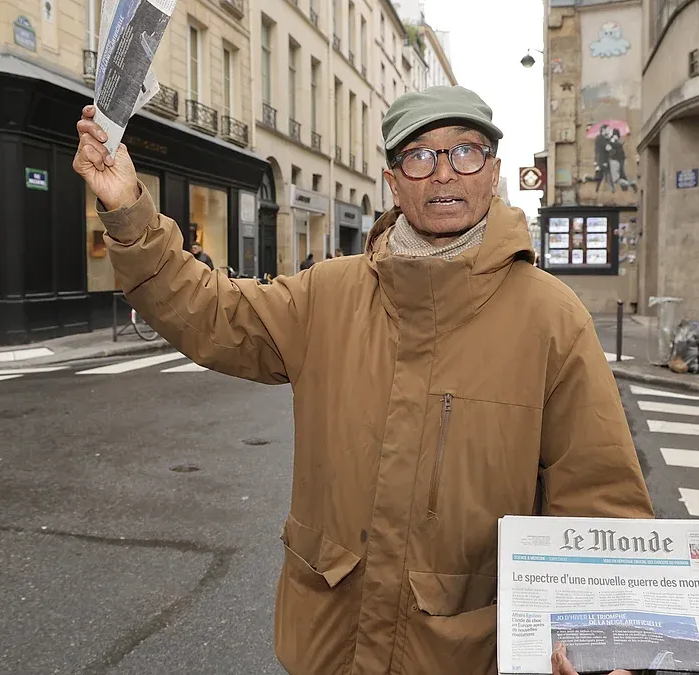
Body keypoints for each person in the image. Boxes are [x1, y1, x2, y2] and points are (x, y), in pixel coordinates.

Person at [73, 84, 652, 675]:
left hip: (466, 656)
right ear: (393, 181)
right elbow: (206, 310)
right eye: (420, 156)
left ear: (494, 170)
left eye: (466, 151)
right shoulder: (327, 293)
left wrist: (612, 641)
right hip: (328, 646)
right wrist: (128, 211)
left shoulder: (550, 317)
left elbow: (600, 497)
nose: (445, 173)